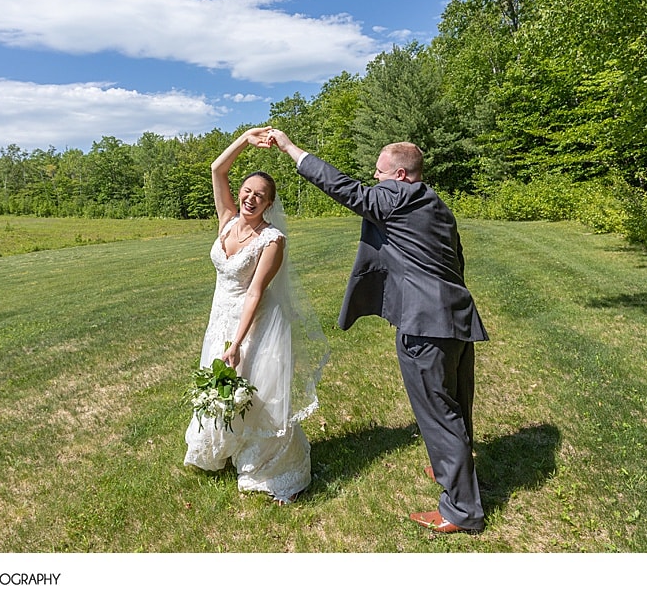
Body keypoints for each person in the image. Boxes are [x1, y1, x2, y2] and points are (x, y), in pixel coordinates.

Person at [266, 129, 488, 533]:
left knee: (438, 414)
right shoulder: (435, 202)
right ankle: (454, 469)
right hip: (454, 316)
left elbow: (344, 189)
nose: (375, 178)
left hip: (424, 323)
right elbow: (456, 258)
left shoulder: (397, 196)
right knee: (456, 402)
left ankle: (461, 510)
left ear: (401, 176)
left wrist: (289, 148)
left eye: (380, 173)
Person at [183, 127, 327, 505]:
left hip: (252, 321)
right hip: (220, 316)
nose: (250, 198)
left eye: (259, 196)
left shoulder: (272, 240)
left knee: (255, 388)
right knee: (222, 385)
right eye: (247, 191)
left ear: (268, 204)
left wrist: (237, 343)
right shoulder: (227, 220)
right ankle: (225, 447)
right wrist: (246, 139)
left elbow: (255, 292)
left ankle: (275, 467)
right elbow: (217, 170)